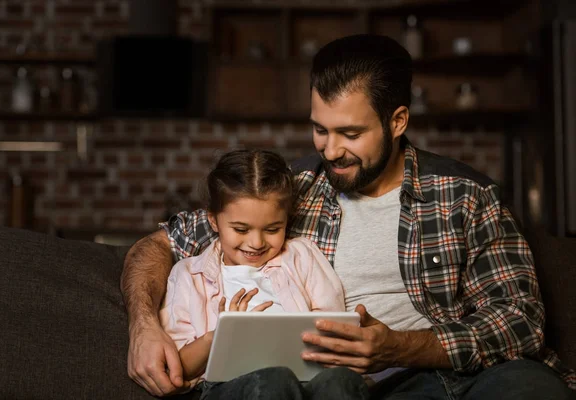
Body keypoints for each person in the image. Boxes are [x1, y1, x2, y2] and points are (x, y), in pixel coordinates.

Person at [121, 34, 575, 399]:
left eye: (351, 133)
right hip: (357, 387)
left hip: (468, 375)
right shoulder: (292, 190)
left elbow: (521, 320)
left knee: (534, 388)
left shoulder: (466, 195)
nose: (331, 149)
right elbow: (159, 244)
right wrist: (143, 327)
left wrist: (403, 346)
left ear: (397, 121)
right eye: (320, 129)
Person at [158, 149, 369, 399]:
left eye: (272, 229)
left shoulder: (302, 255)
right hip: (226, 386)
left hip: (307, 377)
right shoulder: (188, 274)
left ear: (286, 220)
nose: (256, 243)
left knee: (342, 380)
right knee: (273, 380)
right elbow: (180, 367)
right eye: (240, 229)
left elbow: (331, 323)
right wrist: (220, 335)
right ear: (213, 221)